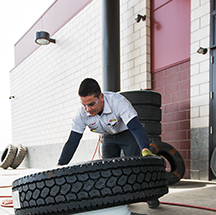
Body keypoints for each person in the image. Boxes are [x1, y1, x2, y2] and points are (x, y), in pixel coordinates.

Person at [57, 78, 161, 208]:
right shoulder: (82, 114)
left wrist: (145, 149)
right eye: (84, 105)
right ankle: (120, 198)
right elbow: (73, 141)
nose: (88, 109)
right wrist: (60, 165)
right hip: (108, 136)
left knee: (136, 166)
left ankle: (151, 194)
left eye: (91, 104)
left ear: (101, 97)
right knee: (108, 169)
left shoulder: (117, 102)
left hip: (126, 133)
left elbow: (136, 127)